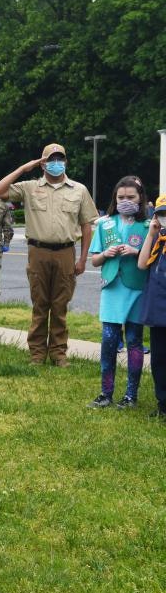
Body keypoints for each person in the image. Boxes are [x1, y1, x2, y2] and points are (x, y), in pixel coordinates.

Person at [0, 143, 98, 366]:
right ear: (42, 163)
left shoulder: (78, 190)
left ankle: (59, 353)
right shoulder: (29, 187)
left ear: (66, 162)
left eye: (60, 159)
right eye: (51, 159)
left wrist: (82, 258)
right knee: (40, 305)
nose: (56, 163)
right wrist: (23, 168)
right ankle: (37, 354)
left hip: (65, 253)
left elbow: (86, 225)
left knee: (60, 306)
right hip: (38, 251)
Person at [87, 177, 150, 408]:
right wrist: (106, 254)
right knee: (109, 341)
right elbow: (94, 260)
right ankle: (106, 393)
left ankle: (131, 396)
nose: (125, 201)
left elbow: (153, 259)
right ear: (115, 198)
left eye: (131, 197)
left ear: (140, 198)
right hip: (112, 288)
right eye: (121, 197)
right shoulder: (105, 224)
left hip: (137, 288)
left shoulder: (148, 226)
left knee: (134, 341)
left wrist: (137, 251)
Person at [138, 195, 166, 419]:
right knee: (159, 358)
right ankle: (163, 402)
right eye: (162, 213)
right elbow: (141, 263)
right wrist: (151, 233)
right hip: (158, 310)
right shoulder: (158, 240)